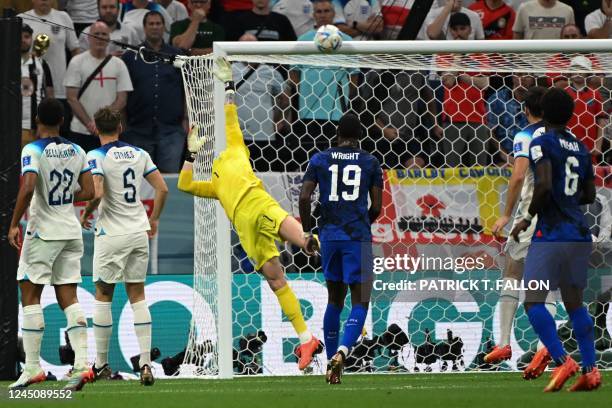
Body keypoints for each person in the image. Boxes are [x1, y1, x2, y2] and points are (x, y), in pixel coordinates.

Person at [177, 58, 322, 371]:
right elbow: (184, 184)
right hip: (246, 227)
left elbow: (230, 116)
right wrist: (190, 153)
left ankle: (312, 243)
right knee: (276, 279)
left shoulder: (236, 148)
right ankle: (306, 337)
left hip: (255, 203)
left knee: (297, 236)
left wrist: (228, 84)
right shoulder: (213, 182)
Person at [510, 88, 600, 392]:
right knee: (575, 304)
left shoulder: (541, 141)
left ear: (542, 114)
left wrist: (525, 218)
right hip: (578, 234)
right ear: (571, 115)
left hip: (551, 234)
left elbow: (545, 184)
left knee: (533, 301)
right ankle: (591, 369)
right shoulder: (581, 147)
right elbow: (589, 194)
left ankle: (563, 360)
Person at [7, 98, 94, 391]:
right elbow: (90, 190)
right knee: (69, 297)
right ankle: (82, 364)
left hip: (44, 232)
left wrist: (13, 223)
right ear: (63, 121)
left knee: (30, 295)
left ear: (37, 120)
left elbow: (29, 186)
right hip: (70, 230)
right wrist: (65, 196)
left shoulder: (32, 149)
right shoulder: (78, 150)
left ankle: (33, 367)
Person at [80, 107, 168, 385]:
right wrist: (154, 219)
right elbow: (162, 188)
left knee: (103, 294)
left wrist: (86, 212)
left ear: (95, 127)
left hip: (112, 234)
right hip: (138, 231)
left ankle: (102, 364)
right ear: (120, 126)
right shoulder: (139, 154)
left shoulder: (95, 155)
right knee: (137, 295)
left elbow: (99, 191)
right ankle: (145, 363)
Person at [298, 113, 383, 384]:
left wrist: (309, 231)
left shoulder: (320, 159)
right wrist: (361, 224)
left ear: (337, 134)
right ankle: (343, 353)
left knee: (335, 300)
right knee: (361, 302)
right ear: (360, 136)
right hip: (356, 237)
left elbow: (304, 196)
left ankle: (330, 361)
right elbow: (378, 207)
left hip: (329, 237)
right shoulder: (370, 162)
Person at [486, 86, 558, 364]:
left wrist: (505, 214)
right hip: (558, 215)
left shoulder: (525, 135)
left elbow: (517, 177)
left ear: (525, 109)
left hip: (532, 212)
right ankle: (544, 347)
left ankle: (503, 343)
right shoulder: (564, 136)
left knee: (513, 271)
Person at [286, 0, 358, 170]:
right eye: (319, 11)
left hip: (337, 115)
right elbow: (293, 74)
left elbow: (354, 80)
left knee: (334, 164)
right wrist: (307, 93)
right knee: (310, 161)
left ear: (334, 14)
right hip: (307, 113)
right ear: (313, 15)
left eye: (326, 11)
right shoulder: (304, 41)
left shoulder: (346, 41)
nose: (323, 14)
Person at [122, 11, 186, 173]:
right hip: (137, 130)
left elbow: (187, 90)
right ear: (144, 27)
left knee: (170, 182)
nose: (155, 27)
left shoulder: (177, 56)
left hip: (171, 130)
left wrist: (186, 120)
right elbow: (123, 93)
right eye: (151, 24)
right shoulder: (130, 57)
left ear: (164, 27)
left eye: (158, 24)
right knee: (140, 182)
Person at [64, 21, 133, 153]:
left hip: (110, 132)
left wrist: (102, 122)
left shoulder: (119, 64)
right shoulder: (77, 62)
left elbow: (122, 99)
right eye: (96, 34)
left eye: (103, 34)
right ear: (88, 37)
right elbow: (71, 98)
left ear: (109, 38)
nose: (100, 37)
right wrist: (90, 124)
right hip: (80, 131)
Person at [18, 0, 80, 135]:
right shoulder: (21, 19)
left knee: (58, 139)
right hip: (30, 93)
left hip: (60, 89)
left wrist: (75, 80)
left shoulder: (63, 17)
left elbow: (75, 50)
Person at [20, 24, 54, 148]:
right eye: (19, 36)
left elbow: (49, 97)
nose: (23, 40)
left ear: (32, 39)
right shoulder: (5, 62)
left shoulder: (42, 64)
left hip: (37, 128)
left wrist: (45, 124)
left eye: (26, 36)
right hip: (9, 128)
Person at [226, 0, 296, 41]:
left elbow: (291, 44)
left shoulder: (281, 20)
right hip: (249, 63)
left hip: (275, 63)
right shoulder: (239, 20)